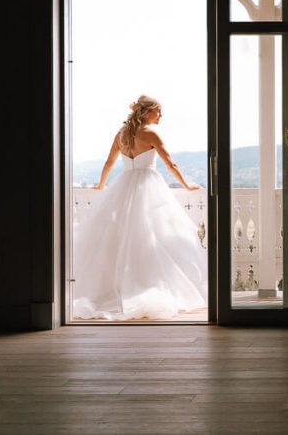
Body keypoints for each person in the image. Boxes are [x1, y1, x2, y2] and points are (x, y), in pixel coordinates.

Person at [72, 95, 208, 320]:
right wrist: (186, 184)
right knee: (154, 237)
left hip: (123, 185)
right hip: (147, 185)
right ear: (146, 112)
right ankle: (146, 285)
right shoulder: (151, 134)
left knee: (119, 239)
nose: (161, 115)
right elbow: (170, 163)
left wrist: (102, 184)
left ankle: (121, 287)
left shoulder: (122, 134)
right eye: (158, 111)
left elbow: (109, 162)